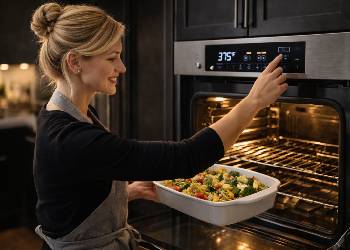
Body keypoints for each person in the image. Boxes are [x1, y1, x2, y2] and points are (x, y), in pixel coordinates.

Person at [30, 2, 288, 250]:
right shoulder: (71, 138)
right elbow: (186, 157)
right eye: (112, 58)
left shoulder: (60, 115)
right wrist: (253, 102)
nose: (121, 67)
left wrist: (124, 193)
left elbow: (68, 193)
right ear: (74, 62)